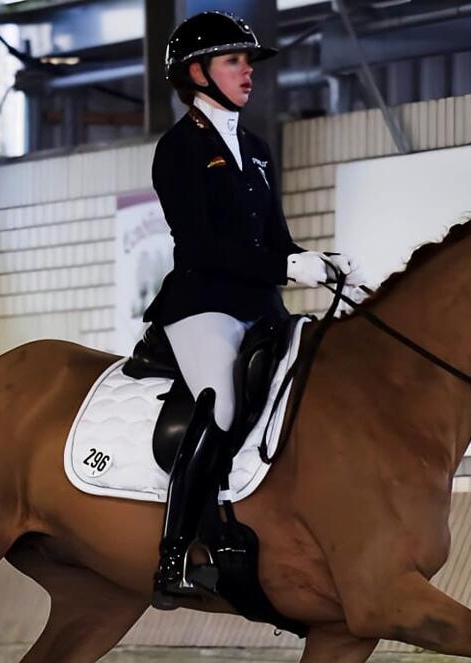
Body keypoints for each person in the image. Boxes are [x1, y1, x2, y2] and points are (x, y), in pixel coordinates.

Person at [144, 9, 359, 609]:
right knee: (223, 402)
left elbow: (277, 242)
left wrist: (323, 260)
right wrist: (285, 268)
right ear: (197, 71)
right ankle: (174, 555)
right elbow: (202, 245)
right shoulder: (179, 148)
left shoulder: (257, 149)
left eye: (248, 62)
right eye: (234, 60)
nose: (248, 72)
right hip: (204, 305)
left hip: (260, 305)